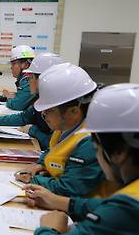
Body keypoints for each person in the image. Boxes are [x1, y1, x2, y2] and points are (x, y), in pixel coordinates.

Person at [23, 84, 139, 235]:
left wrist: (49, 229)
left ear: (119, 152)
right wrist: (65, 203)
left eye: (96, 149)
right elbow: (107, 208)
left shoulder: (128, 209)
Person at [15, 63, 104, 197]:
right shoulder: (65, 125)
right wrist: (40, 165)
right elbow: (53, 149)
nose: (43, 115)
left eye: (48, 110)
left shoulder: (89, 142)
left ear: (73, 111)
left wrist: (33, 180)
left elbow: (68, 188)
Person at [0, 52, 64, 149]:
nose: (28, 81)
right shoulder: (41, 100)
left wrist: (32, 130)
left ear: (44, 80)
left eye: (31, 77)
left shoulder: (59, 107)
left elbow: (55, 145)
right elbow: (24, 117)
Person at [0, 45, 35, 110]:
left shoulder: (29, 80)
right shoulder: (25, 78)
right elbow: (18, 98)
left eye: (13, 64)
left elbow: (17, 105)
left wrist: (9, 97)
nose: (11, 67)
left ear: (25, 64)